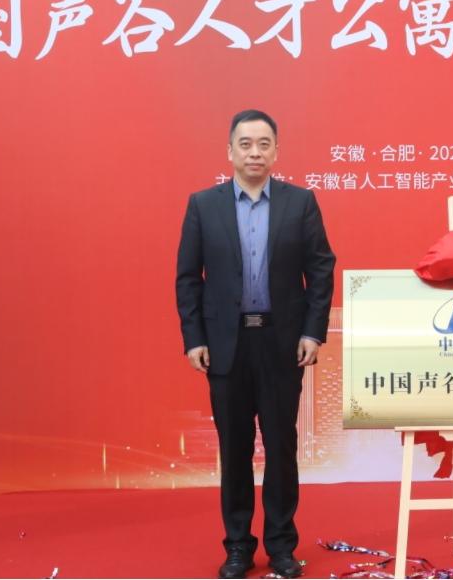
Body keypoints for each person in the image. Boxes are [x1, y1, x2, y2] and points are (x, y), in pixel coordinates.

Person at [176, 109, 336, 579]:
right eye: (245, 144)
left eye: (264, 144)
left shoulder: (299, 203)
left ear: (276, 152)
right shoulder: (203, 206)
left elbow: (320, 270)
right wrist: (194, 338)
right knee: (235, 449)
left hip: (282, 343)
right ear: (229, 151)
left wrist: (312, 332)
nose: (254, 153)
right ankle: (238, 548)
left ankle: (282, 546)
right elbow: (188, 278)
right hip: (225, 345)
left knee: (281, 448)